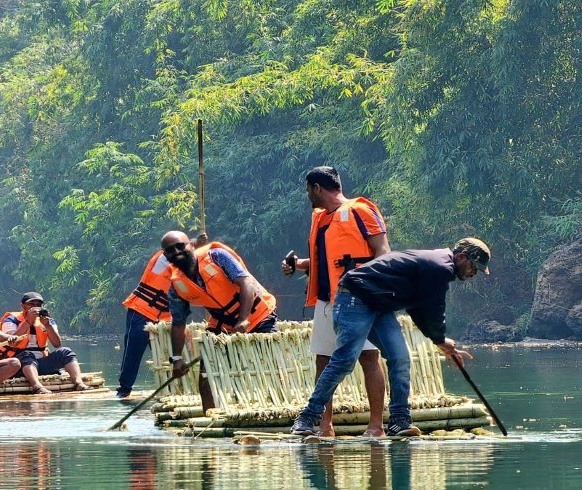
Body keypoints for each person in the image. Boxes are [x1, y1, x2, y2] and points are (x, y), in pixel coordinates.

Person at [290, 238, 491, 436]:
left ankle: (399, 421)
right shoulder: (440, 267)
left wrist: (439, 340)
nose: (474, 273)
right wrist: (440, 339)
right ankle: (307, 418)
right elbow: (434, 308)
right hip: (355, 297)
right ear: (462, 257)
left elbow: (419, 308)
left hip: (379, 305)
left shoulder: (436, 266)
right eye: (474, 267)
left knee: (400, 358)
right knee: (345, 360)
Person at [282, 166, 389, 437]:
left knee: (368, 357)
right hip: (327, 299)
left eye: (308, 190)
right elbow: (326, 261)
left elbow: (383, 252)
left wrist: (370, 290)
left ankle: (376, 427)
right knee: (323, 361)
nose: (308, 196)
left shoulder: (361, 210)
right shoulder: (321, 219)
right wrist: (299, 265)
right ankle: (324, 427)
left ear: (317, 188)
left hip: (359, 300)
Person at [162, 230, 278, 412]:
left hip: (257, 316)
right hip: (223, 325)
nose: (176, 252)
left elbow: (245, 282)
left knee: (269, 364)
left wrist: (243, 318)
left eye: (180, 246)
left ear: (191, 245)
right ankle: (211, 413)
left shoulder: (216, 256)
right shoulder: (176, 286)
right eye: (170, 250)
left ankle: (272, 406)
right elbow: (178, 322)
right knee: (207, 368)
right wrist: (177, 359)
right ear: (165, 256)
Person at [116, 234, 208, 399]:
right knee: (133, 352)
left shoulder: (186, 268)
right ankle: (124, 390)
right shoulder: (162, 258)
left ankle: (174, 390)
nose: (176, 252)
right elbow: (180, 252)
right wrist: (195, 242)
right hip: (141, 311)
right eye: (172, 249)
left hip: (165, 319)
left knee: (168, 354)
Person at [0, 291, 89, 393]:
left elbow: (57, 344)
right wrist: (28, 322)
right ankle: (38, 387)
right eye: (31, 304)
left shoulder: (46, 321)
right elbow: (13, 342)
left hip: (41, 363)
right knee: (27, 355)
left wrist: (48, 326)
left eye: (38, 305)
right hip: (17, 365)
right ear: (22, 306)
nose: (35, 307)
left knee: (66, 352)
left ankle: (78, 383)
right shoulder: (12, 320)